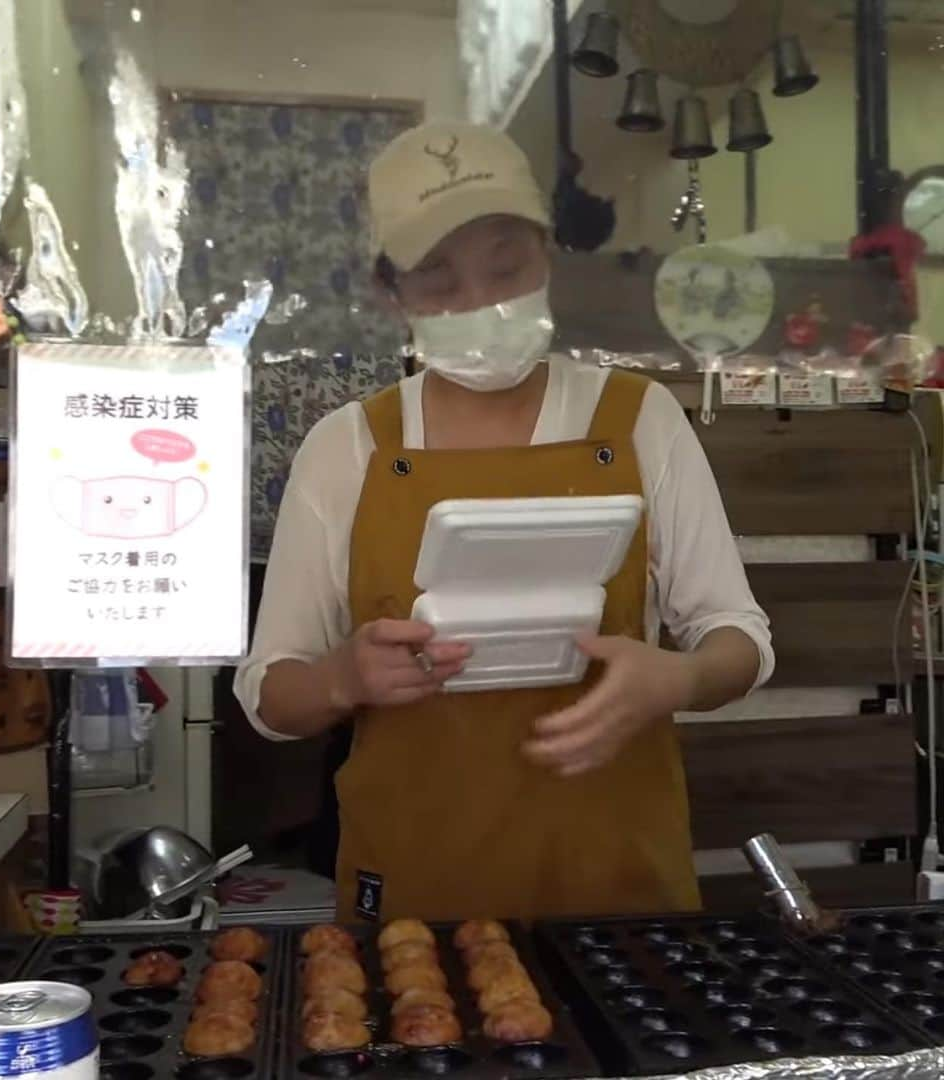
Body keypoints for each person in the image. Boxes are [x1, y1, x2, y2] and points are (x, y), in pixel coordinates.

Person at [234, 121, 773, 922]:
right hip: (417, 890)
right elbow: (269, 693)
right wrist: (342, 679)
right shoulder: (350, 448)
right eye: (438, 280)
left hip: (617, 885)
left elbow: (740, 636)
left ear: (548, 254)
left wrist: (683, 677)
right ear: (391, 296)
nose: (479, 302)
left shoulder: (638, 419)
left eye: (505, 265)